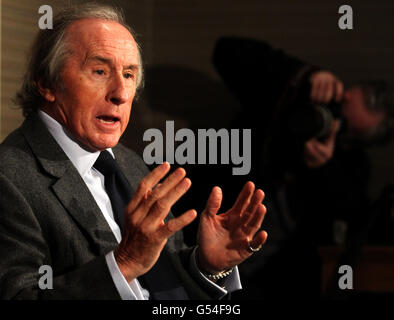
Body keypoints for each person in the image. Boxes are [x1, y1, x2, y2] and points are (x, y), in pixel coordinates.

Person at [0, 4, 268, 300]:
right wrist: (123, 263)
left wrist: (206, 264)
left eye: (129, 75)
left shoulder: (129, 162)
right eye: (100, 71)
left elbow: (158, 282)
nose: (121, 93)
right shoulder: (9, 177)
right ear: (47, 83)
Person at [211, 36, 394, 299]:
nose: (332, 122)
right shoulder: (295, 93)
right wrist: (303, 74)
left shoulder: (351, 165)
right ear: (345, 92)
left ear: (354, 140)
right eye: (338, 109)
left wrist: (325, 167)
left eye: (345, 129)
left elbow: (350, 215)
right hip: (216, 211)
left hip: (263, 270)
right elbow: (225, 50)